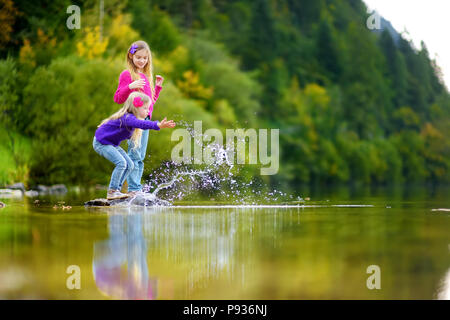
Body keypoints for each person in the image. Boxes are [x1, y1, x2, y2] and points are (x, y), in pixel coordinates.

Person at [93, 92, 175, 200]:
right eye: (145, 108)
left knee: (130, 165)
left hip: (111, 144)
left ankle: (117, 190)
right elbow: (142, 124)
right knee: (121, 163)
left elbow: (140, 125)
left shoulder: (132, 120)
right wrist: (158, 125)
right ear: (136, 107)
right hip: (101, 143)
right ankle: (112, 191)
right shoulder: (128, 118)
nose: (147, 111)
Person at [114, 40, 164, 195]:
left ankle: (132, 188)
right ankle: (132, 189)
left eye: (145, 58)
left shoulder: (146, 76)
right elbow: (118, 98)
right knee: (134, 153)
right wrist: (130, 86)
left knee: (140, 156)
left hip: (145, 119)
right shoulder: (127, 74)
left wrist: (157, 88)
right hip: (134, 119)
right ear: (131, 56)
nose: (142, 61)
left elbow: (149, 103)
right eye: (138, 57)